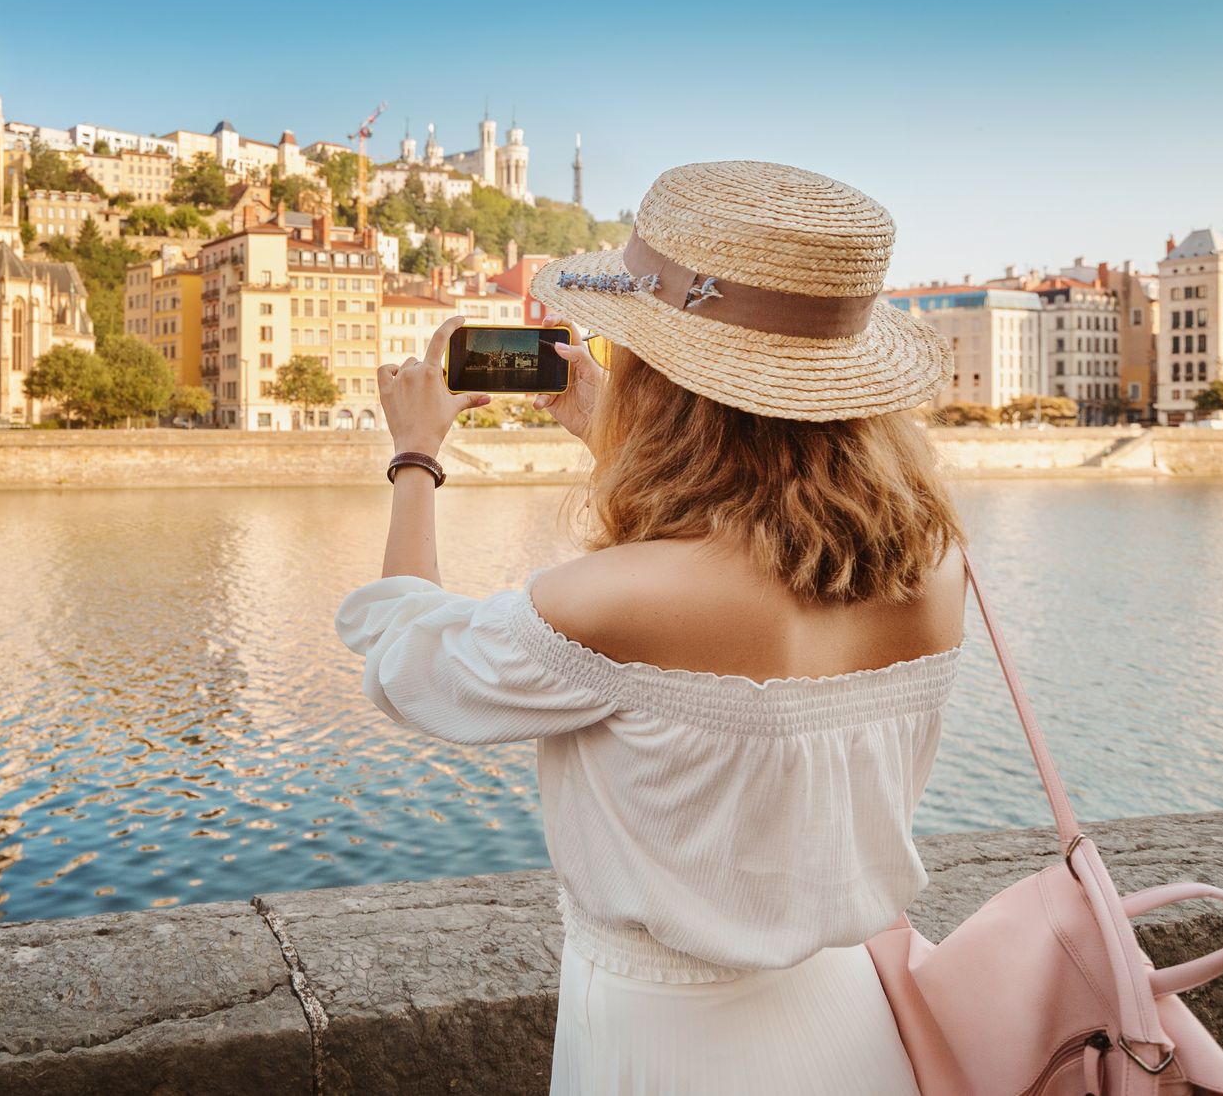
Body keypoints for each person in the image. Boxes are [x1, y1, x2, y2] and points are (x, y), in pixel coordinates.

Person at [342, 160, 963, 1094]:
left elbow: (405, 657)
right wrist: (607, 426)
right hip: (850, 1026)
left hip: (663, 1043)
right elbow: (757, 538)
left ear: (663, 378)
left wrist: (417, 457)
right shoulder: (936, 567)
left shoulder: (616, 598)